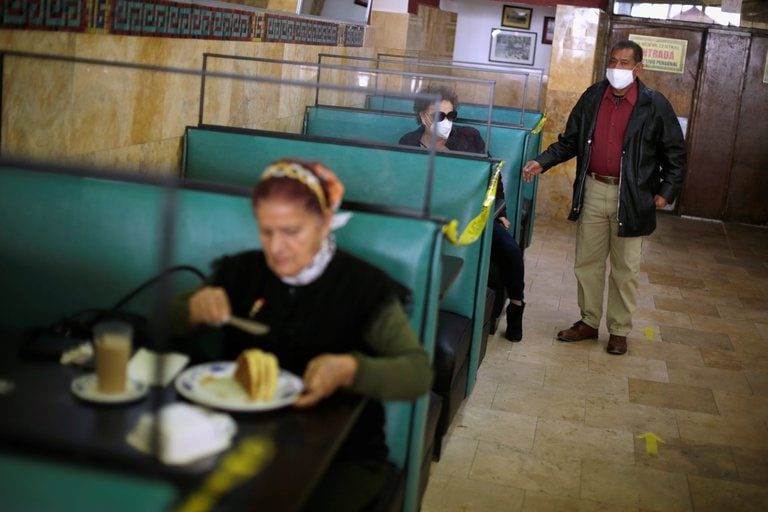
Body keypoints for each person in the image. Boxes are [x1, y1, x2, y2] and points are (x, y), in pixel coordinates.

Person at [179, 159, 433, 511]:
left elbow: (418, 374)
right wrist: (192, 309)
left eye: (291, 231)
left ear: (325, 222)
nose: (277, 248)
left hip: (339, 457)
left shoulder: (364, 287)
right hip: (233, 439)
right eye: (267, 232)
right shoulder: (240, 271)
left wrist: (350, 370)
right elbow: (165, 322)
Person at [522, 40, 686, 355]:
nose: (616, 68)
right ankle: (588, 321)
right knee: (587, 262)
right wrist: (543, 161)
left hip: (633, 197)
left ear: (638, 68)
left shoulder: (655, 105)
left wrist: (666, 193)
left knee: (626, 269)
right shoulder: (592, 97)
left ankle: (619, 330)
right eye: (613, 61)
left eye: (624, 63)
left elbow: (676, 153)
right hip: (594, 189)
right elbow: (569, 141)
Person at [399, 86, 526, 341]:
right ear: (423, 116)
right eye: (439, 116)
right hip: (428, 217)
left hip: (471, 216)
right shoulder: (408, 143)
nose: (447, 122)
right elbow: (402, 186)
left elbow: (493, 176)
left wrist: (500, 211)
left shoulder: (469, 137)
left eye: (451, 115)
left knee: (510, 250)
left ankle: (516, 304)